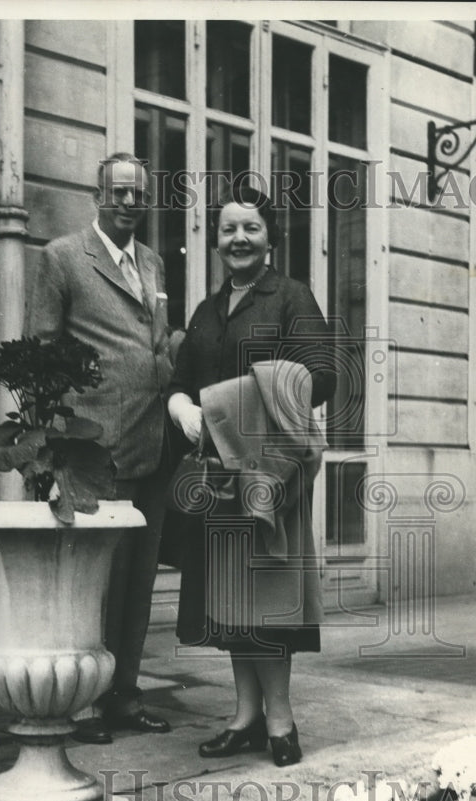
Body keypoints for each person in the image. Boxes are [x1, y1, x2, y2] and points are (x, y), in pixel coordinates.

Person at [166, 185, 336, 767]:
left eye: (251, 229)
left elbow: (320, 375)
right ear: (214, 240)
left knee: (269, 597)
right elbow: (181, 380)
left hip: (270, 472)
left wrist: (228, 401)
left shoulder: (290, 297)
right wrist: (184, 407)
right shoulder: (207, 312)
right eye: (228, 229)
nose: (238, 239)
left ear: (270, 239)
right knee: (231, 598)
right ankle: (245, 717)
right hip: (217, 477)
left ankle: (281, 721)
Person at [26, 152, 173, 744]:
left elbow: (154, 341)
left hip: (154, 442)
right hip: (93, 452)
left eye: (139, 194)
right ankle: (85, 703)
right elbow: (41, 355)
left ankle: (126, 696)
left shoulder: (154, 263)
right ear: (97, 196)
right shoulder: (62, 258)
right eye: (119, 193)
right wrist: (49, 453)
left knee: (138, 581)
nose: (131, 204)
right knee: (93, 581)